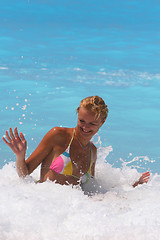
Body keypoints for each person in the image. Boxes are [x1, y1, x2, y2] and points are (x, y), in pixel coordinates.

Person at [2, 96, 150, 188]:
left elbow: (93, 190)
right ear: (77, 114)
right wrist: (20, 156)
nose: (85, 127)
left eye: (92, 124)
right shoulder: (58, 136)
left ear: (102, 123)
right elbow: (25, 175)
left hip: (72, 214)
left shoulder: (92, 151)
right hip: (46, 208)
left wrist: (134, 186)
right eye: (82, 121)